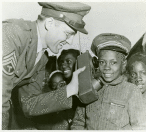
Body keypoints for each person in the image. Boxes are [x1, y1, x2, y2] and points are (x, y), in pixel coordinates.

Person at [2, 2, 91, 130]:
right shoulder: (13, 34)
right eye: (67, 34)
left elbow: (29, 105)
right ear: (49, 23)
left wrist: (70, 89)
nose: (70, 41)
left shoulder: (41, 59)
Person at [71, 33, 146, 130]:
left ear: (123, 64)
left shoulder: (132, 91)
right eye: (102, 62)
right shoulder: (89, 88)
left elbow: (141, 127)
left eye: (113, 62)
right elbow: (78, 123)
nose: (107, 67)